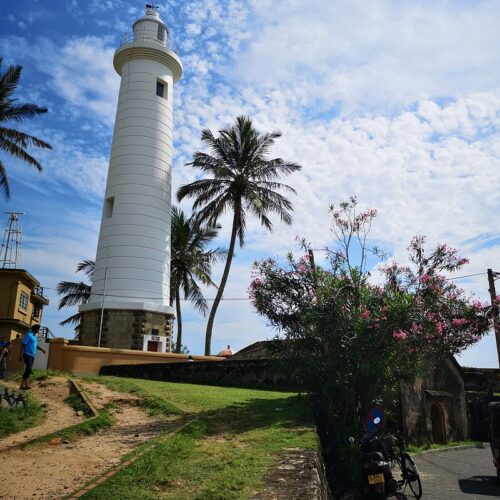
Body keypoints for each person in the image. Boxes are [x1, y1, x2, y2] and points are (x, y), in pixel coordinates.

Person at [19, 325, 45, 390]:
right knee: (28, 369)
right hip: (27, 354)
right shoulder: (29, 335)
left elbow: (36, 346)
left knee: (28, 369)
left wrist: (42, 349)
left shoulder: (34, 337)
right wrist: (20, 355)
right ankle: (22, 385)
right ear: (36, 329)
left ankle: (25, 385)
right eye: (38, 329)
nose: (39, 331)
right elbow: (23, 345)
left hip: (32, 355)